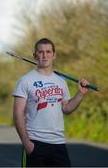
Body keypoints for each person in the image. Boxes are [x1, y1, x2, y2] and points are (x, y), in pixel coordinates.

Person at [13, 38, 90, 167]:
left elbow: (66, 109)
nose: (45, 55)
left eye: (48, 51)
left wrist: (80, 94)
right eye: (41, 52)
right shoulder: (25, 81)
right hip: (35, 143)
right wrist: (27, 144)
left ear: (54, 55)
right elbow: (17, 114)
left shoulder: (61, 81)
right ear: (35, 55)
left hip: (58, 144)